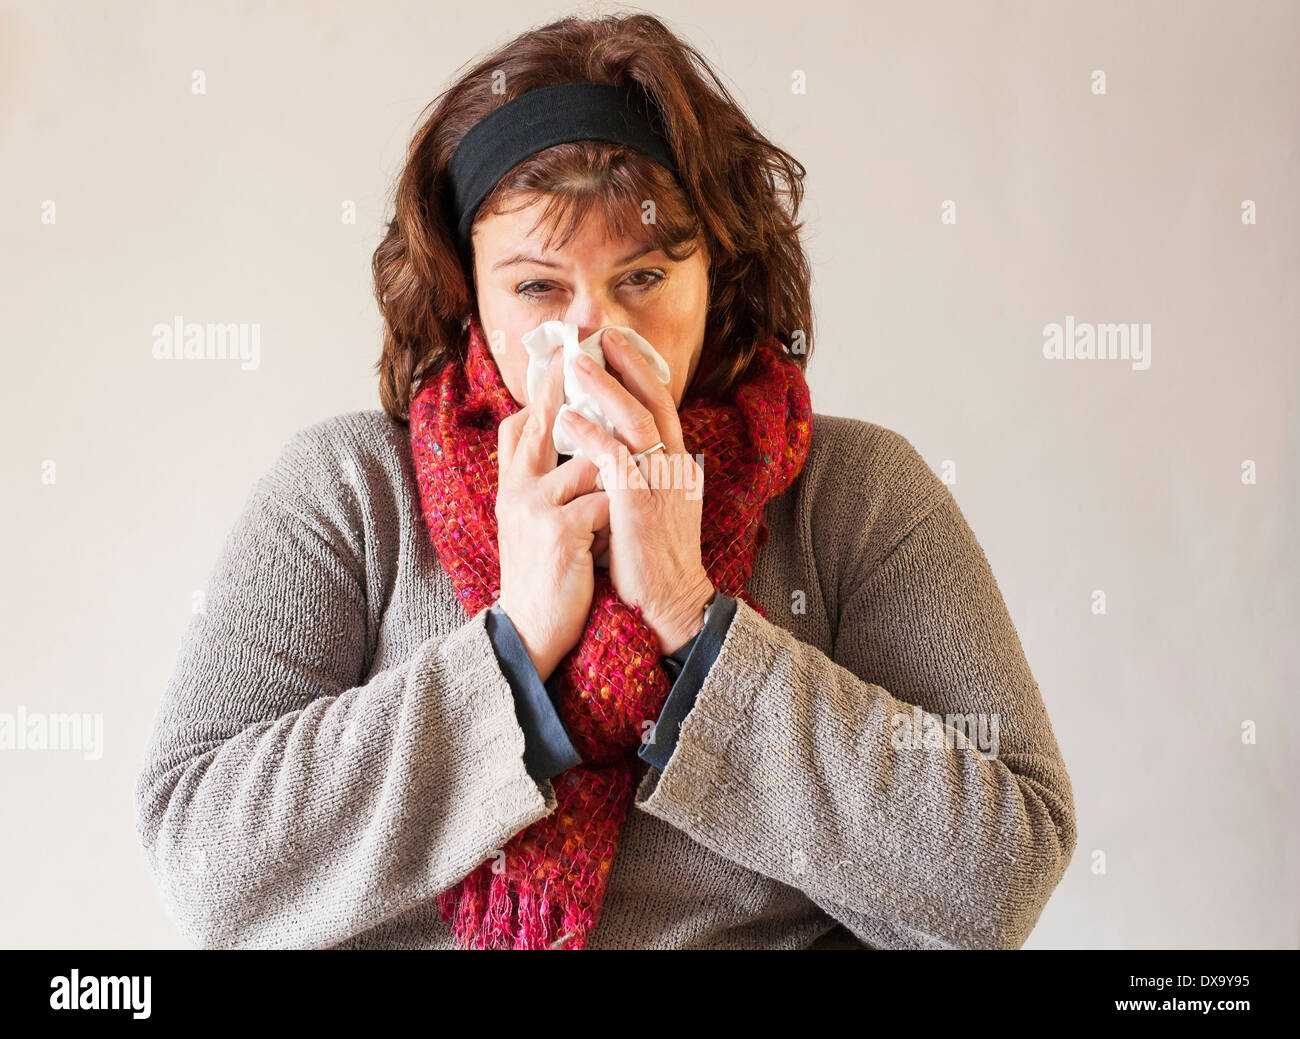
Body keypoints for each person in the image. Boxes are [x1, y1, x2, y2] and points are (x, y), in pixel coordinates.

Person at [134, 12, 1077, 950]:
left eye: (644, 277)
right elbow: (204, 867)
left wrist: (689, 617)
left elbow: (1001, 875)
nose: (591, 335)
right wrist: (514, 647)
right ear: (466, 289)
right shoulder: (349, 492)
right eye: (538, 287)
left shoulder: (856, 495)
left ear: (719, 274)